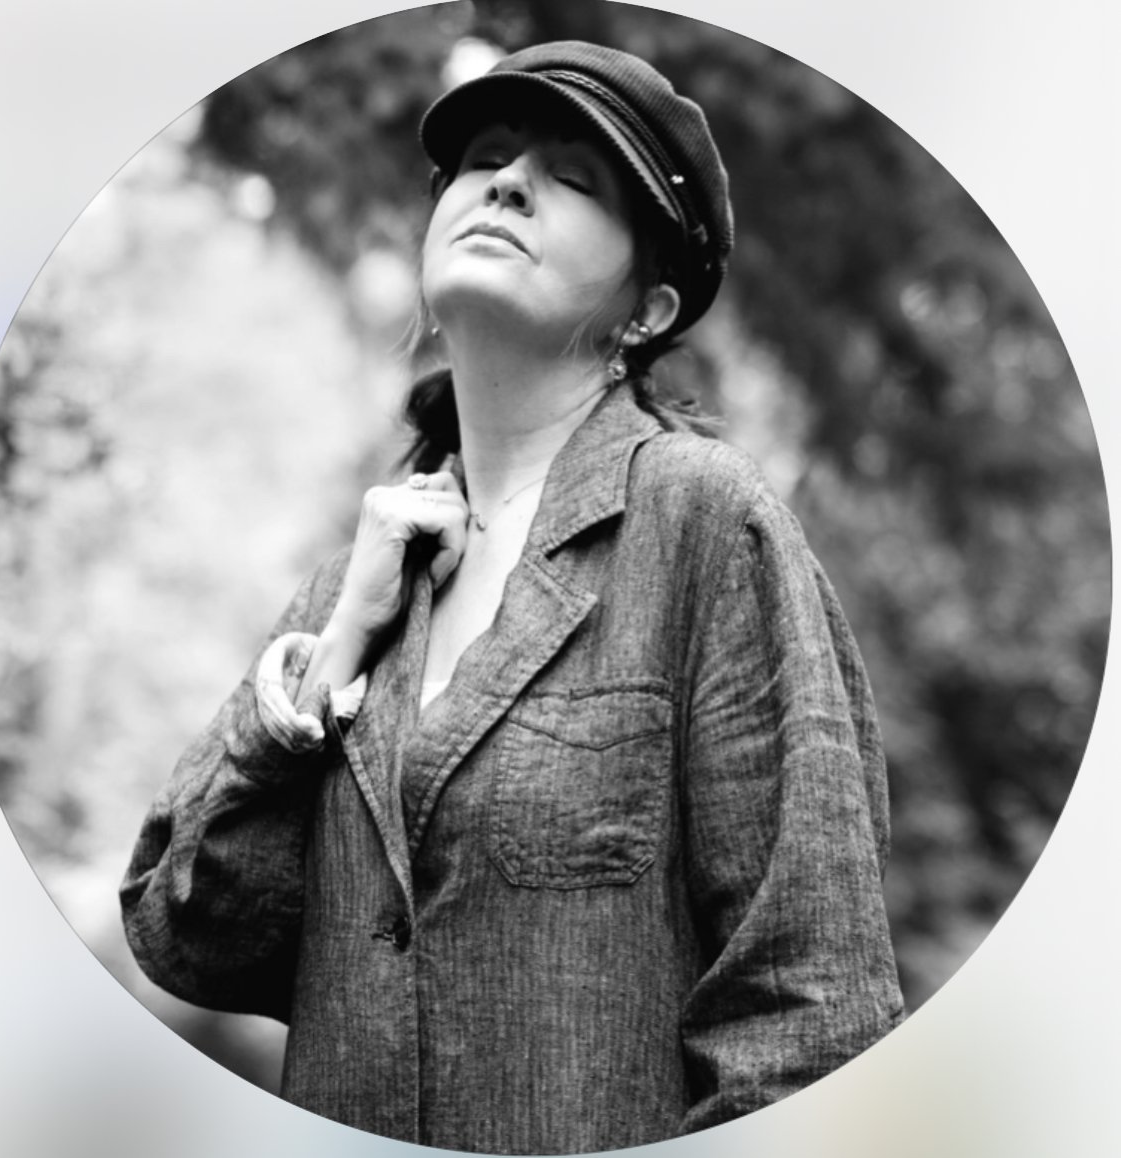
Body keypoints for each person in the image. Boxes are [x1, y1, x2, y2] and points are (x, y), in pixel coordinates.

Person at [121, 40, 904, 1154]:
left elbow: (811, 1014)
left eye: (575, 178)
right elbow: (183, 935)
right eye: (485, 156)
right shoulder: (363, 574)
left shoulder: (702, 522)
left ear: (648, 308)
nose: (507, 181)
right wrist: (338, 645)